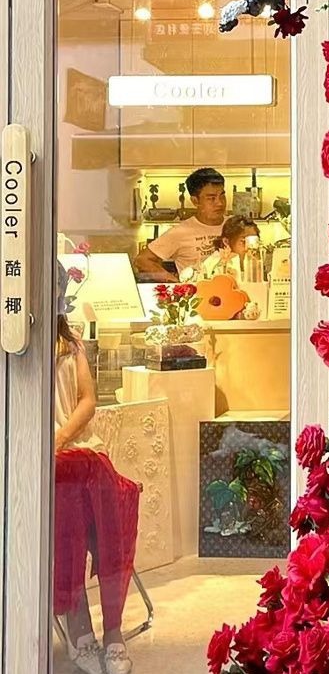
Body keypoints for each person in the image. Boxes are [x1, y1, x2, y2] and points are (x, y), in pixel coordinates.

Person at [54, 262, 140, 674]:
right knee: (66, 509)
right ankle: (80, 626)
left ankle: (112, 631)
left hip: (78, 452)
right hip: (46, 467)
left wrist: (59, 438)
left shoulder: (69, 342)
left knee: (106, 520)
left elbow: (88, 401)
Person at [132, 167, 227, 281]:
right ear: (195, 201)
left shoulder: (235, 226)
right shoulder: (181, 232)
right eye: (211, 198)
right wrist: (173, 282)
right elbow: (142, 260)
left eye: (222, 196)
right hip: (198, 295)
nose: (219, 203)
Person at [198, 217, 261, 283]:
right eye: (244, 241)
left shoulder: (258, 262)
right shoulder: (214, 264)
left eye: (254, 241)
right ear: (226, 241)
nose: (250, 247)